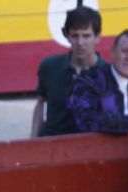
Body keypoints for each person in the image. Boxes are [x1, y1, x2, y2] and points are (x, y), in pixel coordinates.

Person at [34, 5, 106, 137]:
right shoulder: (49, 67)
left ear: (98, 37)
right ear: (66, 36)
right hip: (52, 144)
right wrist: (32, 142)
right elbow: (40, 104)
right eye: (75, 35)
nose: (80, 42)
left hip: (93, 146)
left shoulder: (109, 74)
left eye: (86, 36)